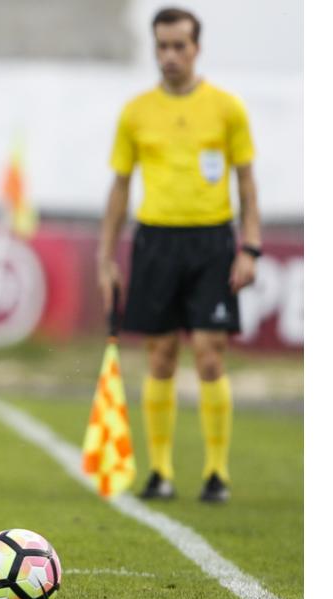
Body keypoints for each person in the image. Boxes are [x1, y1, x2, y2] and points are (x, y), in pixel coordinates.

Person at [96, 7, 261, 503]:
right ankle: (161, 472)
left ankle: (216, 472)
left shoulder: (227, 109)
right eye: (161, 46)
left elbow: (247, 185)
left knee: (210, 355)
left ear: (197, 48)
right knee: (161, 355)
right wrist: (106, 256)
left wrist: (249, 247)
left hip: (212, 241)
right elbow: (120, 187)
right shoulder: (136, 111)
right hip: (156, 242)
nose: (169, 56)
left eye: (179, 46)